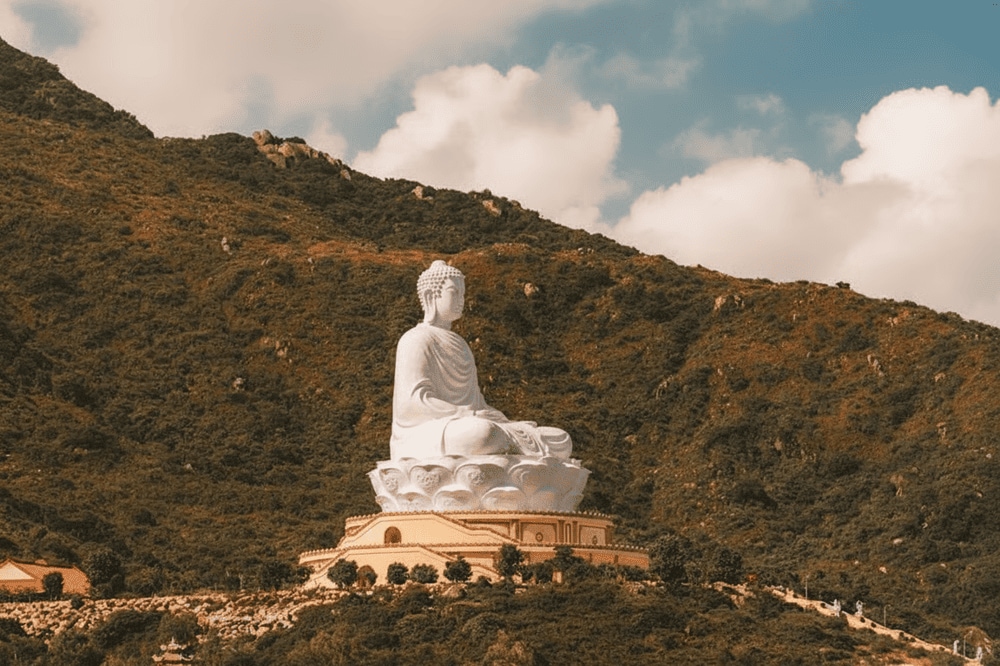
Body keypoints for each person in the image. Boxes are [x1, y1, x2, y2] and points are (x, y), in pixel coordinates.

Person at [390, 261, 572, 461]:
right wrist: (467, 414)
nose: (461, 299)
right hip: (425, 433)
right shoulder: (415, 339)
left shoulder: (461, 344)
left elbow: (477, 403)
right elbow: (410, 406)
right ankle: (501, 441)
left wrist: (496, 417)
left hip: (471, 423)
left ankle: (506, 440)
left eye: (463, 293)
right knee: (481, 434)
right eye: (454, 292)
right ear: (430, 296)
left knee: (561, 440)